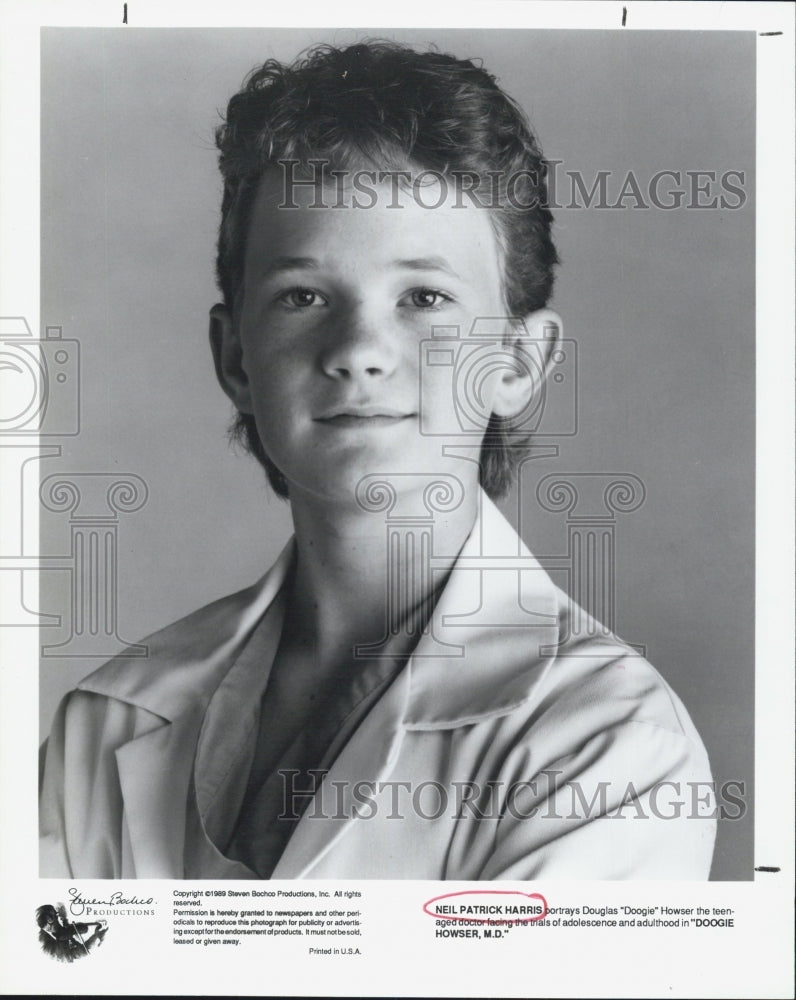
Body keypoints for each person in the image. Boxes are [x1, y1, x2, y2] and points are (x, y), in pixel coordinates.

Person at [39, 40, 716, 879]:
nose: (359, 349)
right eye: (303, 296)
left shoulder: (605, 744)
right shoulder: (106, 722)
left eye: (424, 298)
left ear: (518, 365)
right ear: (237, 360)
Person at [36, 904, 107, 962]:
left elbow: (82, 929)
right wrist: (96, 936)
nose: (57, 917)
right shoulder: (52, 941)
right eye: (56, 915)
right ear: (49, 919)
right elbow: (81, 953)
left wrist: (95, 925)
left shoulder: (57, 931)